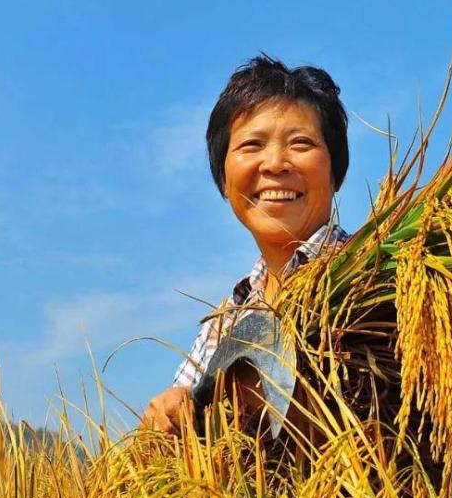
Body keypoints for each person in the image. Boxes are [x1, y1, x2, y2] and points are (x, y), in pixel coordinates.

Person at [142, 55, 350, 434]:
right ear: (224, 180)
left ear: (336, 171)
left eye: (300, 143)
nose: (274, 163)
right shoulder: (223, 325)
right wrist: (166, 417)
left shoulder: (380, 278)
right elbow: (179, 423)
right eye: (251, 145)